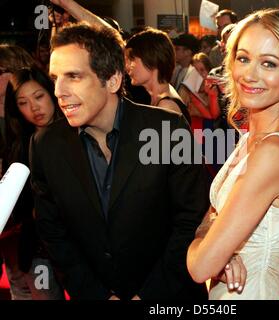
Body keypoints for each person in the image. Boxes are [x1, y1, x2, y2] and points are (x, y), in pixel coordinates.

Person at [29, 22, 209, 300]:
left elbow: (191, 220)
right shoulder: (46, 145)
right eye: (55, 79)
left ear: (112, 79)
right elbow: (53, 233)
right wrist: (98, 295)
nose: (58, 91)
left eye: (73, 76)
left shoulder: (168, 129)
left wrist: (148, 296)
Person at [187, 8, 279, 300]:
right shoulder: (251, 140)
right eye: (243, 58)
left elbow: (200, 265)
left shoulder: (274, 151)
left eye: (269, 63)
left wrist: (212, 246)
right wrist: (216, 246)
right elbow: (205, 234)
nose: (249, 74)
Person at [2, 67, 65, 299]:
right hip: (37, 249)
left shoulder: (78, 134)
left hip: (80, 248)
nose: (34, 108)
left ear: (52, 93)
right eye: (23, 102)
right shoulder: (20, 146)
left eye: (39, 97)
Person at [125, 27, 190, 124]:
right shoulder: (162, 94)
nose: (127, 66)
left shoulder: (166, 106)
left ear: (152, 60)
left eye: (132, 59)